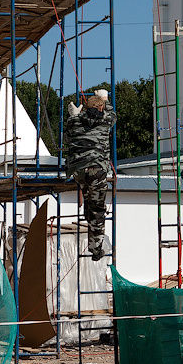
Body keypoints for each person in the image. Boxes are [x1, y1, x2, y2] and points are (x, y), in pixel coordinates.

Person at [65, 89, 116, 261]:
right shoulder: (105, 121)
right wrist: (105, 98)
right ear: (101, 108)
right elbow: (112, 115)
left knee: (89, 199)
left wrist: (74, 116)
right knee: (97, 210)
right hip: (96, 170)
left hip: (79, 171)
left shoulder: (74, 122)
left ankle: (90, 227)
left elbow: (67, 136)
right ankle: (96, 249)